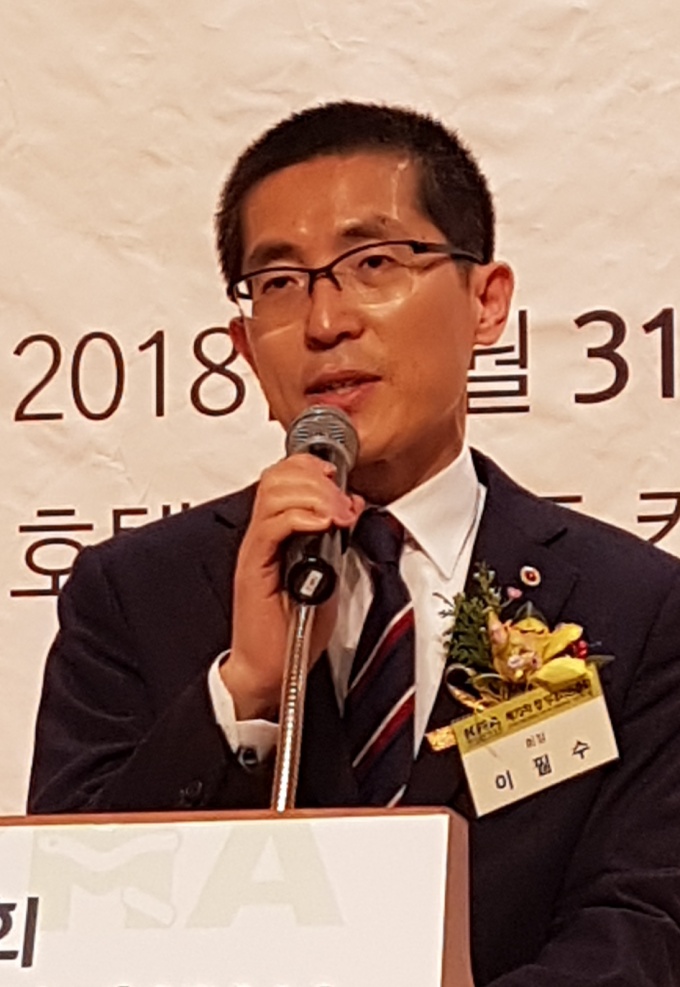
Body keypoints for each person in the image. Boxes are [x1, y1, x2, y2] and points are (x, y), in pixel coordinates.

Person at [28, 101, 680, 985]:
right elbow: (67, 916)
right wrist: (245, 690)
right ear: (243, 346)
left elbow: (643, 922)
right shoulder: (132, 593)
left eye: (374, 263)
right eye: (280, 282)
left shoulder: (634, 606)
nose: (325, 320)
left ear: (486, 302)